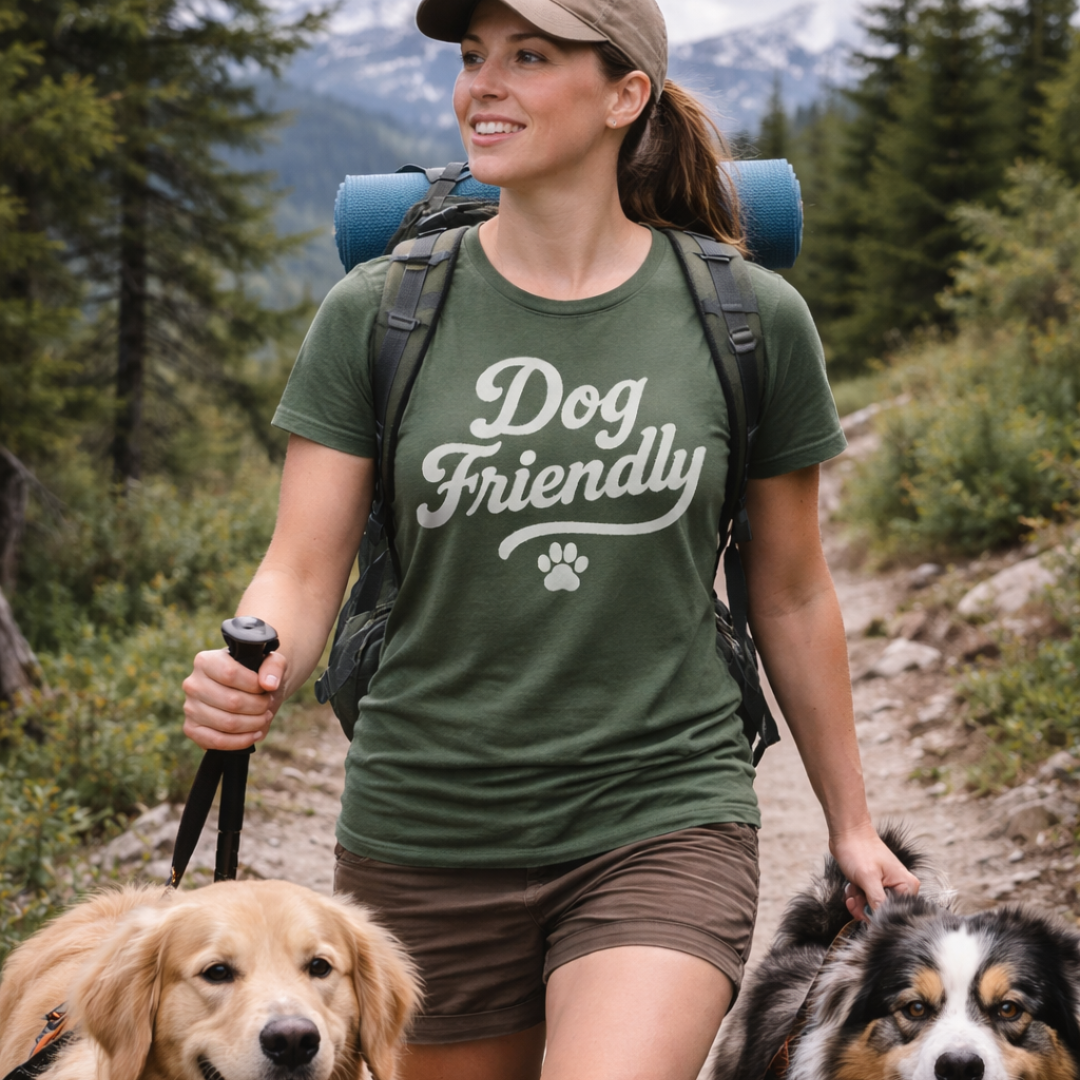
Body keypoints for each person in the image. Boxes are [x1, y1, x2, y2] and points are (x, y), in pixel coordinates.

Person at [182, 0, 920, 1076]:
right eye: (475, 57)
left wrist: (850, 823)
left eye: (530, 57)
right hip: (424, 832)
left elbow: (794, 592)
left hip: (663, 811)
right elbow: (301, 569)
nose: (484, 84)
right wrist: (256, 665)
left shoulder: (750, 318)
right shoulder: (377, 314)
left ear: (627, 96)